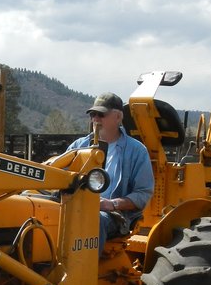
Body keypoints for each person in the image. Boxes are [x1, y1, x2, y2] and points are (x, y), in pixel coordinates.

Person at [65, 92, 154, 248]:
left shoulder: (137, 151)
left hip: (113, 215)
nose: (95, 119)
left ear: (118, 118)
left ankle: (84, 270)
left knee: (92, 219)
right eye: (93, 114)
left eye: (101, 114)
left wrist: (111, 204)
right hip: (74, 207)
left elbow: (143, 194)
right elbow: (60, 175)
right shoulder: (78, 146)